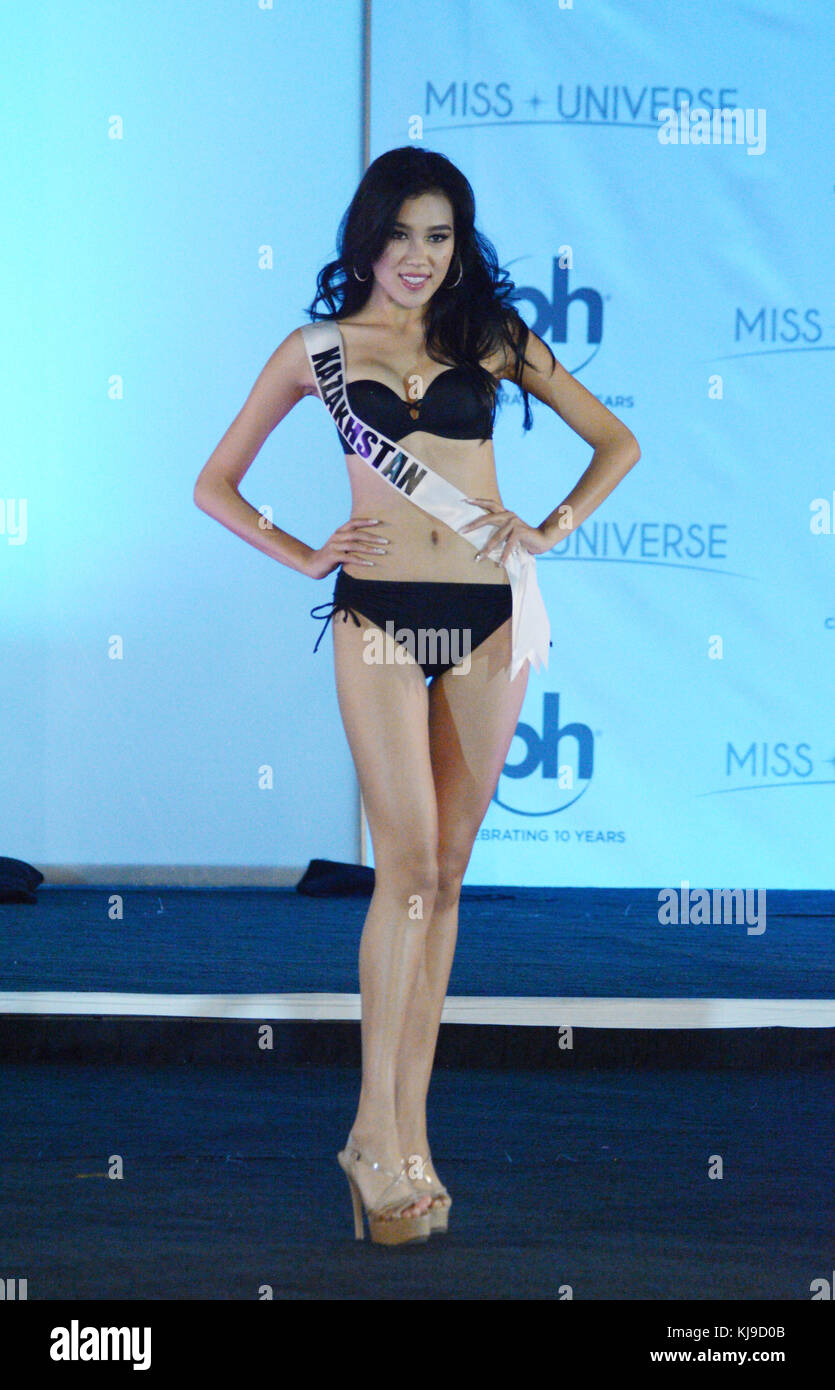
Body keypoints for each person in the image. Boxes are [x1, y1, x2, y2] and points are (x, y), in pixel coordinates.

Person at [194, 146, 640, 1247]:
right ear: (367, 238)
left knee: (445, 872)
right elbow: (215, 482)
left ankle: (416, 1137)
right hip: (380, 620)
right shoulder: (317, 353)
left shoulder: (488, 337)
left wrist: (550, 529)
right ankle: (367, 1131)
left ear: (459, 244)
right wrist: (302, 554)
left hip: (491, 623)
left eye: (439, 237)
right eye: (399, 235)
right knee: (403, 862)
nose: (418, 258)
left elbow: (617, 441)